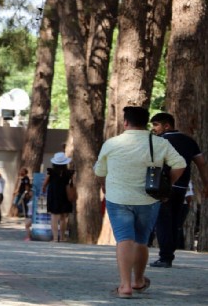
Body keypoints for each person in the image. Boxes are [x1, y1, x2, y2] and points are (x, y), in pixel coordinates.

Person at [94, 106, 186, 298]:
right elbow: (180, 164)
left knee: (124, 239)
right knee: (141, 241)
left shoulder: (112, 143)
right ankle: (138, 280)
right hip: (149, 199)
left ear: (125, 122)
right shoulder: (159, 142)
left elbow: (99, 172)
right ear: (146, 122)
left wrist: (105, 186)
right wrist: (169, 184)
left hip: (117, 198)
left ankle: (125, 285)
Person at [149, 112, 208, 268]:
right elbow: (201, 163)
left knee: (163, 222)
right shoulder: (189, 140)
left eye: (156, 125)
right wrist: (206, 184)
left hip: (163, 186)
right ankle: (169, 255)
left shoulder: (160, 141)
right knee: (174, 222)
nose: (154, 129)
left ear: (167, 125)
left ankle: (165, 257)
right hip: (182, 186)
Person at [42, 153, 74, 242]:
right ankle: (62, 237)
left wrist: (44, 188)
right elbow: (72, 183)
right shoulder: (69, 173)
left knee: (54, 217)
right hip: (65, 195)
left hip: (54, 195)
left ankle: (55, 238)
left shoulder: (51, 172)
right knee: (64, 217)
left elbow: (45, 183)